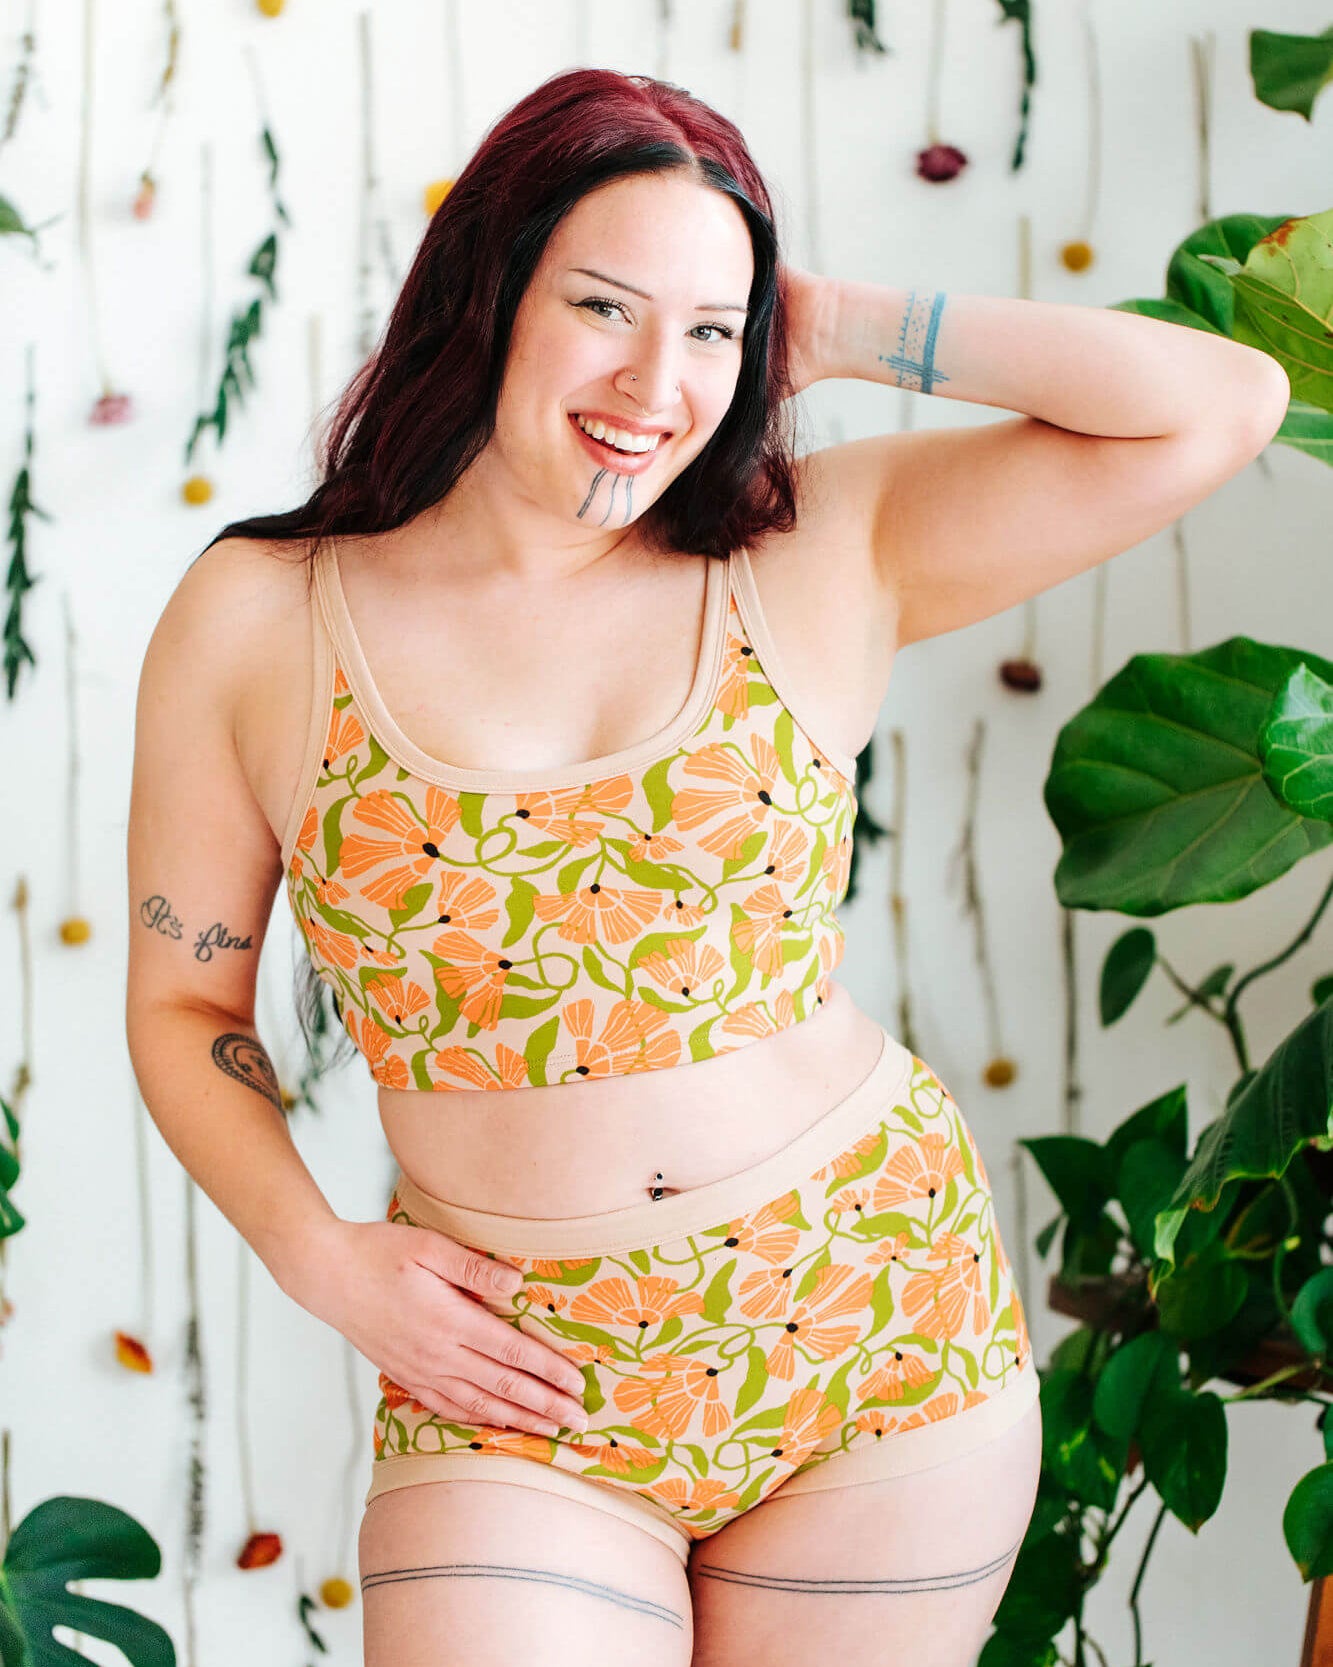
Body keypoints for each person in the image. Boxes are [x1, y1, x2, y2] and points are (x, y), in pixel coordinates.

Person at [125, 65, 1288, 1667]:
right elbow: (184, 1006)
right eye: (603, 307)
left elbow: (1224, 402)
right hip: (523, 1383)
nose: (652, 383)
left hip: (875, 1339)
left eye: (708, 333)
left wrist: (837, 315)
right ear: (488, 289)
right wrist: (319, 1253)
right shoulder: (261, 613)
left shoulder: (813, 549)